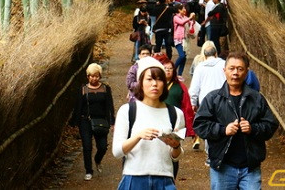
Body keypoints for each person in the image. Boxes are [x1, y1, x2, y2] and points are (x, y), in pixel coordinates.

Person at [193, 52, 279, 189]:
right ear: (224, 70)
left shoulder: (256, 99)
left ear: (247, 72)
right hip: (222, 166)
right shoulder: (213, 98)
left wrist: (253, 128)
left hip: (250, 166)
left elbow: (271, 125)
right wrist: (222, 130)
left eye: (240, 69)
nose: (235, 73)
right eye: (231, 68)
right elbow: (200, 125)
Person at [112, 57, 185, 189]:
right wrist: (138, 136)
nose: (154, 84)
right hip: (134, 178)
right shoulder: (127, 111)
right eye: (149, 79)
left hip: (164, 180)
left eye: (159, 79)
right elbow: (117, 151)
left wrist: (175, 146)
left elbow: (176, 157)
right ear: (140, 82)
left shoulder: (175, 113)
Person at [72, 63, 115, 181]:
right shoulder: (83, 89)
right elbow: (78, 106)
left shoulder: (106, 89)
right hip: (85, 121)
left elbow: (109, 106)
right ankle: (88, 170)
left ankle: (97, 160)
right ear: (87, 76)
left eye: (96, 76)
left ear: (100, 76)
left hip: (101, 121)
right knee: (87, 146)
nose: (94, 78)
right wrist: (75, 123)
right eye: (91, 76)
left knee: (102, 147)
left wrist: (112, 121)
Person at [155, 54, 196, 180]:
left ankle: (171, 178)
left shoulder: (179, 86)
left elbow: (187, 107)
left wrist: (189, 128)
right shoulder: (155, 85)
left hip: (175, 123)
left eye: (170, 68)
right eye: (165, 68)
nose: (167, 70)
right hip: (157, 122)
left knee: (174, 149)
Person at [188, 42, 225, 151]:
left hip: (206, 101)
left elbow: (194, 88)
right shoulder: (224, 64)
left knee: (209, 126)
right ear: (216, 53)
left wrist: (193, 103)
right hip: (222, 98)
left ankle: (210, 153)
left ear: (204, 54)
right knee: (222, 124)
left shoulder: (200, 67)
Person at [173, 5, 195, 76]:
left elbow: (191, 23)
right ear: (179, 10)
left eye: (185, 9)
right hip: (178, 39)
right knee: (182, 56)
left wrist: (192, 20)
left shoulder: (185, 17)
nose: (184, 10)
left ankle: (180, 74)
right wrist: (190, 18)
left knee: (184, 57)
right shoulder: (176, 17)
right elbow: (182, 22)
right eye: (183, 9)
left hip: (185, 39)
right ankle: (173, 69)